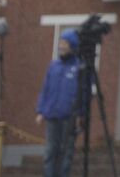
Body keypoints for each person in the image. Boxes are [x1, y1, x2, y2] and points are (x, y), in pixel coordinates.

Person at [35, 29, 80, 177]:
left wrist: (81, 114)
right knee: (50, 151)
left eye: (64, 43)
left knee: (66, 152)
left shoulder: (79, 68)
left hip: (69, 117)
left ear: (72, 46)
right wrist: (41, 111)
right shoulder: (53, 66)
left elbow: (84, 94)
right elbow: (45, 89)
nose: (61, 46)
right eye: (60, 42)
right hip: (52, 115)